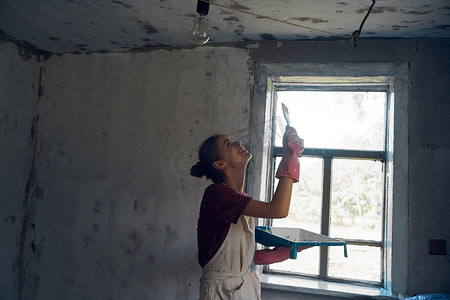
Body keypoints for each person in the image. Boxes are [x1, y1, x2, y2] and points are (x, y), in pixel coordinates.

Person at [190, 126, 306, 300]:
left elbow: (244, 258)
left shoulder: (242, 199)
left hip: (244, 286)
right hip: (221, 292)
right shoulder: (216, 194)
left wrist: (285, 252)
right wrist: (290, 157)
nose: (237, 142)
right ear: (220, 164)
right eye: (228, 144)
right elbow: (279, 210)